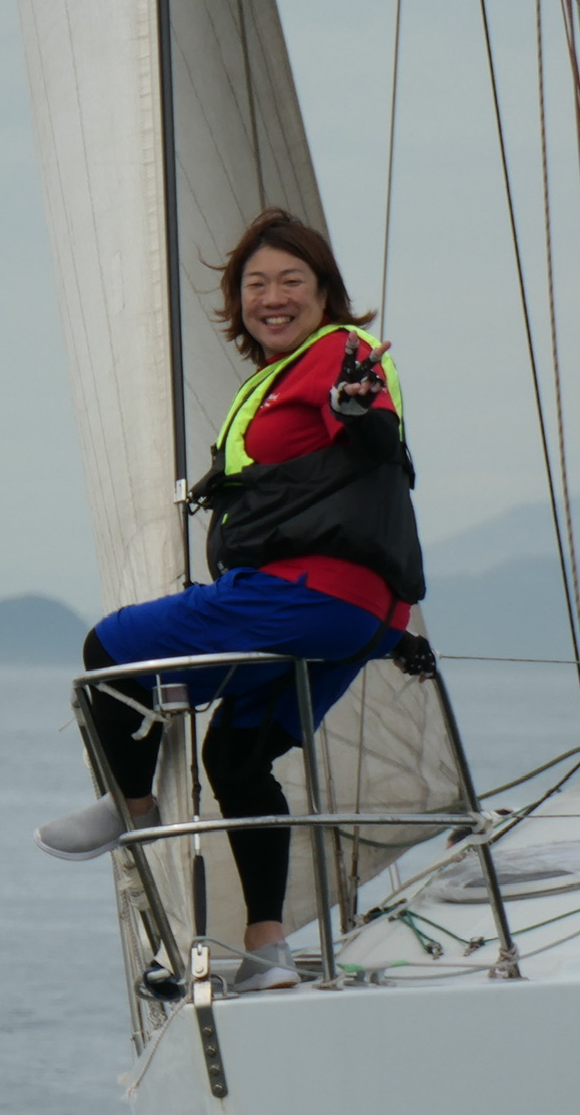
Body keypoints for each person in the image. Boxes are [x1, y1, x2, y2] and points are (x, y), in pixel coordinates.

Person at [36, 208, 430, 991]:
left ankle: (132, 803)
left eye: (291, 281)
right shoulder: (287, 372)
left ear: (325, 292)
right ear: (237, 299)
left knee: (107, 650)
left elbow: (373, 434)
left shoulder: (343, 356)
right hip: (364, 616)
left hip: (308, 595)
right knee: (236, 758)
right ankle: (266, 951)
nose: (272, 297)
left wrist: (358, 408)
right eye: (256, 284)